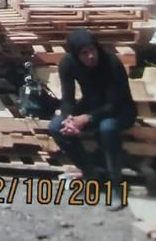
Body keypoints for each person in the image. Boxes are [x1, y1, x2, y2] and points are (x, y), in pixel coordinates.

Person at [49, 29, 136, 210]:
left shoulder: (111, 62)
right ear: (75, 54)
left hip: (119, 109)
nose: (91, 56)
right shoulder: (67, 63)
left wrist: (87, 118)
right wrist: (69, 119)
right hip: (91, 105)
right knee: (57, 127)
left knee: (107, 128)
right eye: (84, 53)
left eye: (92, 50)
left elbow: (115, 103)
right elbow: (67, 98)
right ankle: (91, 174)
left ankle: (116, 186)